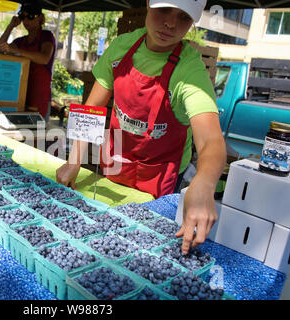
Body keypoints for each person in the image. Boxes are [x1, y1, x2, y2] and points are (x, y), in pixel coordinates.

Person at [56, 0, 226, 255]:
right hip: (115, 163)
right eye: (164, 9)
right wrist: (74, 159)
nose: (170, 23)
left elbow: (211, 140)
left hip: (160, 177)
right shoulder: (121, 48)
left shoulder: (189, 69)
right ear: (148, 3)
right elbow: (92, 109)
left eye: (183, 17)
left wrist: (204, 183)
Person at [0, 1, 55, 119]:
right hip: (22, 95)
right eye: (23, 17)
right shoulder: (21, 41)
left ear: (40, 18)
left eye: (31, 17)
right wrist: (10, 26)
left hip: (39, 97)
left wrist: (17, 51)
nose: (26, 21)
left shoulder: (46, 36)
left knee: (37, 134)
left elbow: (44, 58)